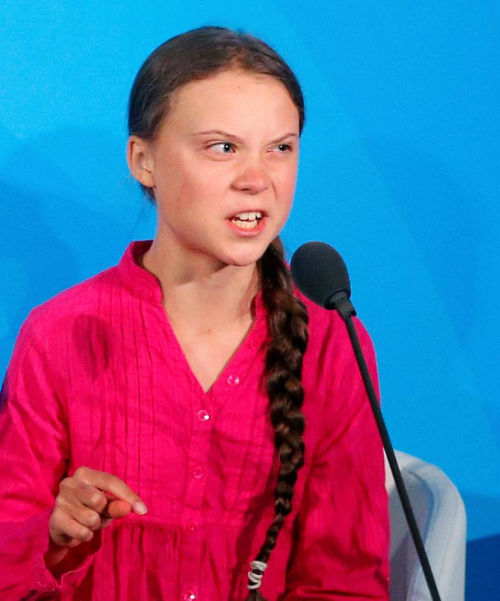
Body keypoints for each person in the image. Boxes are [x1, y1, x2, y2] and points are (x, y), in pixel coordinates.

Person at [0, 26, 389, 600]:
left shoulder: (331, 340)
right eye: (222, 148)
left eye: (280, 148)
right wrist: (54, 539)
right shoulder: (58, 333)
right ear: (144, 160)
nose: (257, 179)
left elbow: (346, 581)